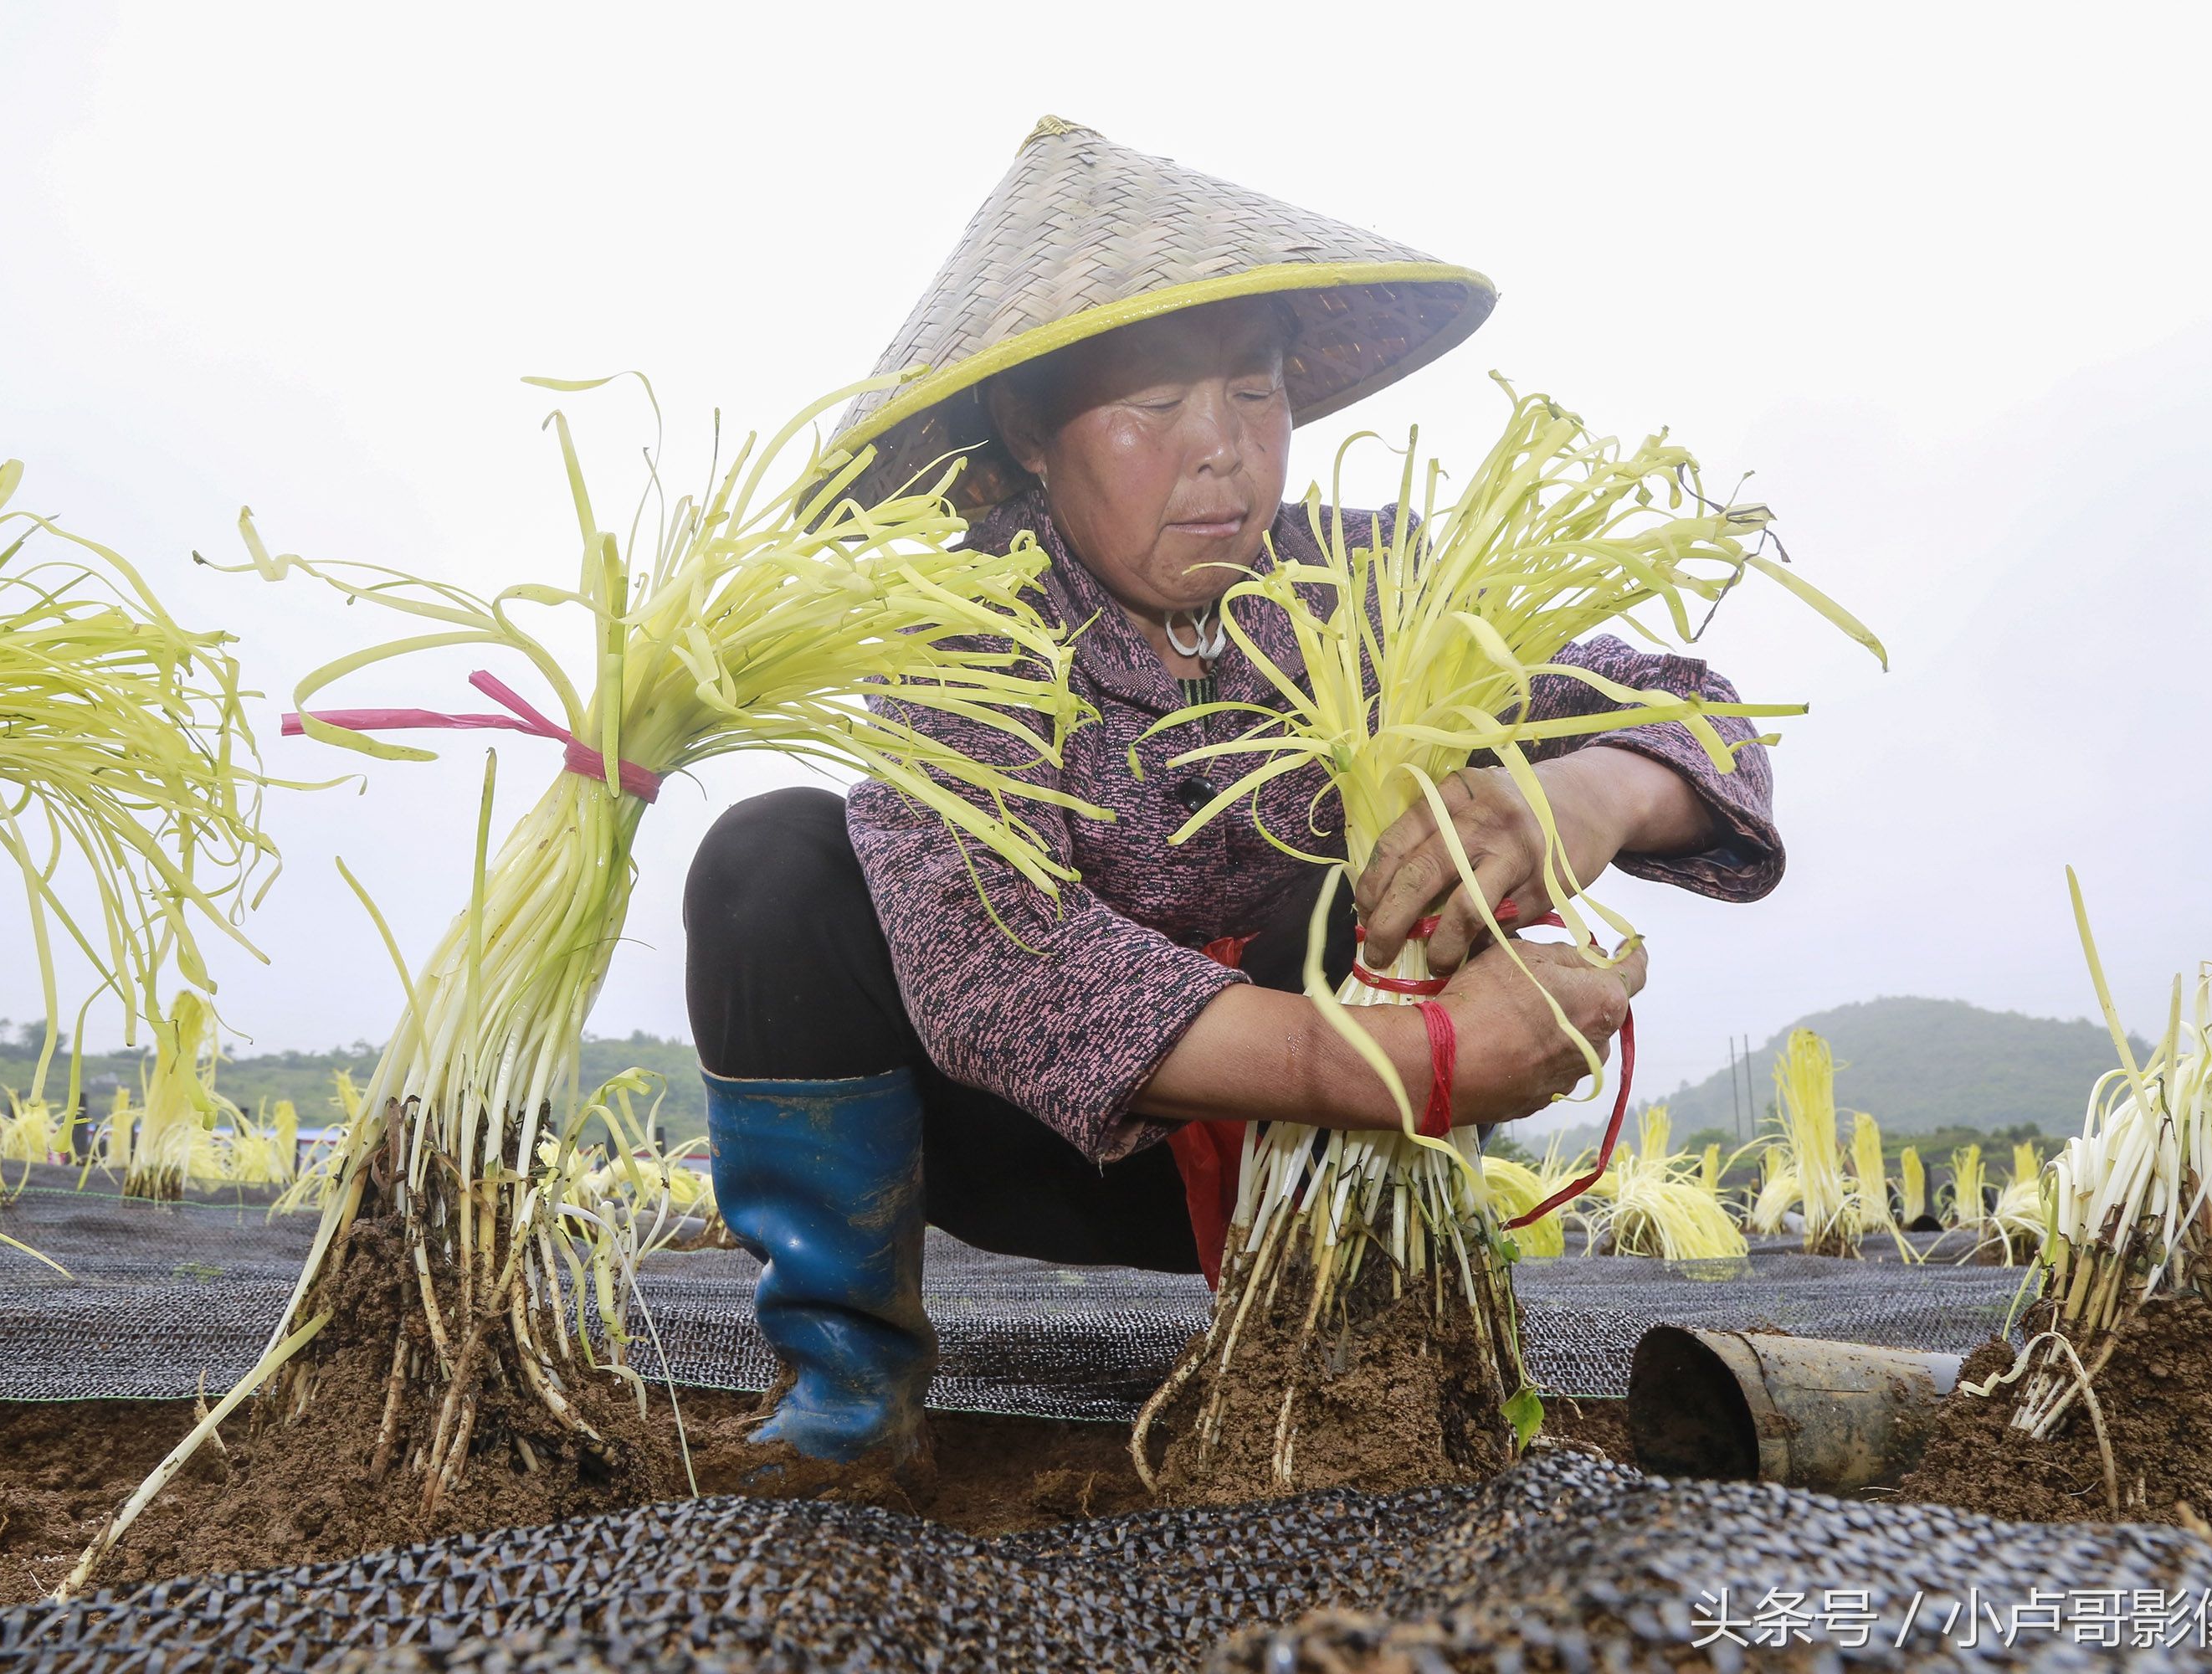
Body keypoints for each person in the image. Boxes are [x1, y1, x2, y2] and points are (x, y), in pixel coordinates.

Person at [685, 119, 1779, 1491]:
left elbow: (1697, 710)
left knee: (1366, 867)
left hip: (1322, 1165)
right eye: (1151, 406)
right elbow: (992, 970)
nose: (1222, 454)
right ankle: (847, 1397)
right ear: (1029, 430)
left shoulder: (1371, 588)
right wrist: (1412, 1063)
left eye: (1252, 395)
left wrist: (1587, 794)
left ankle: (1357, 1363)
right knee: (770, 857)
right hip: (1041, 1148)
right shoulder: (966, 628)